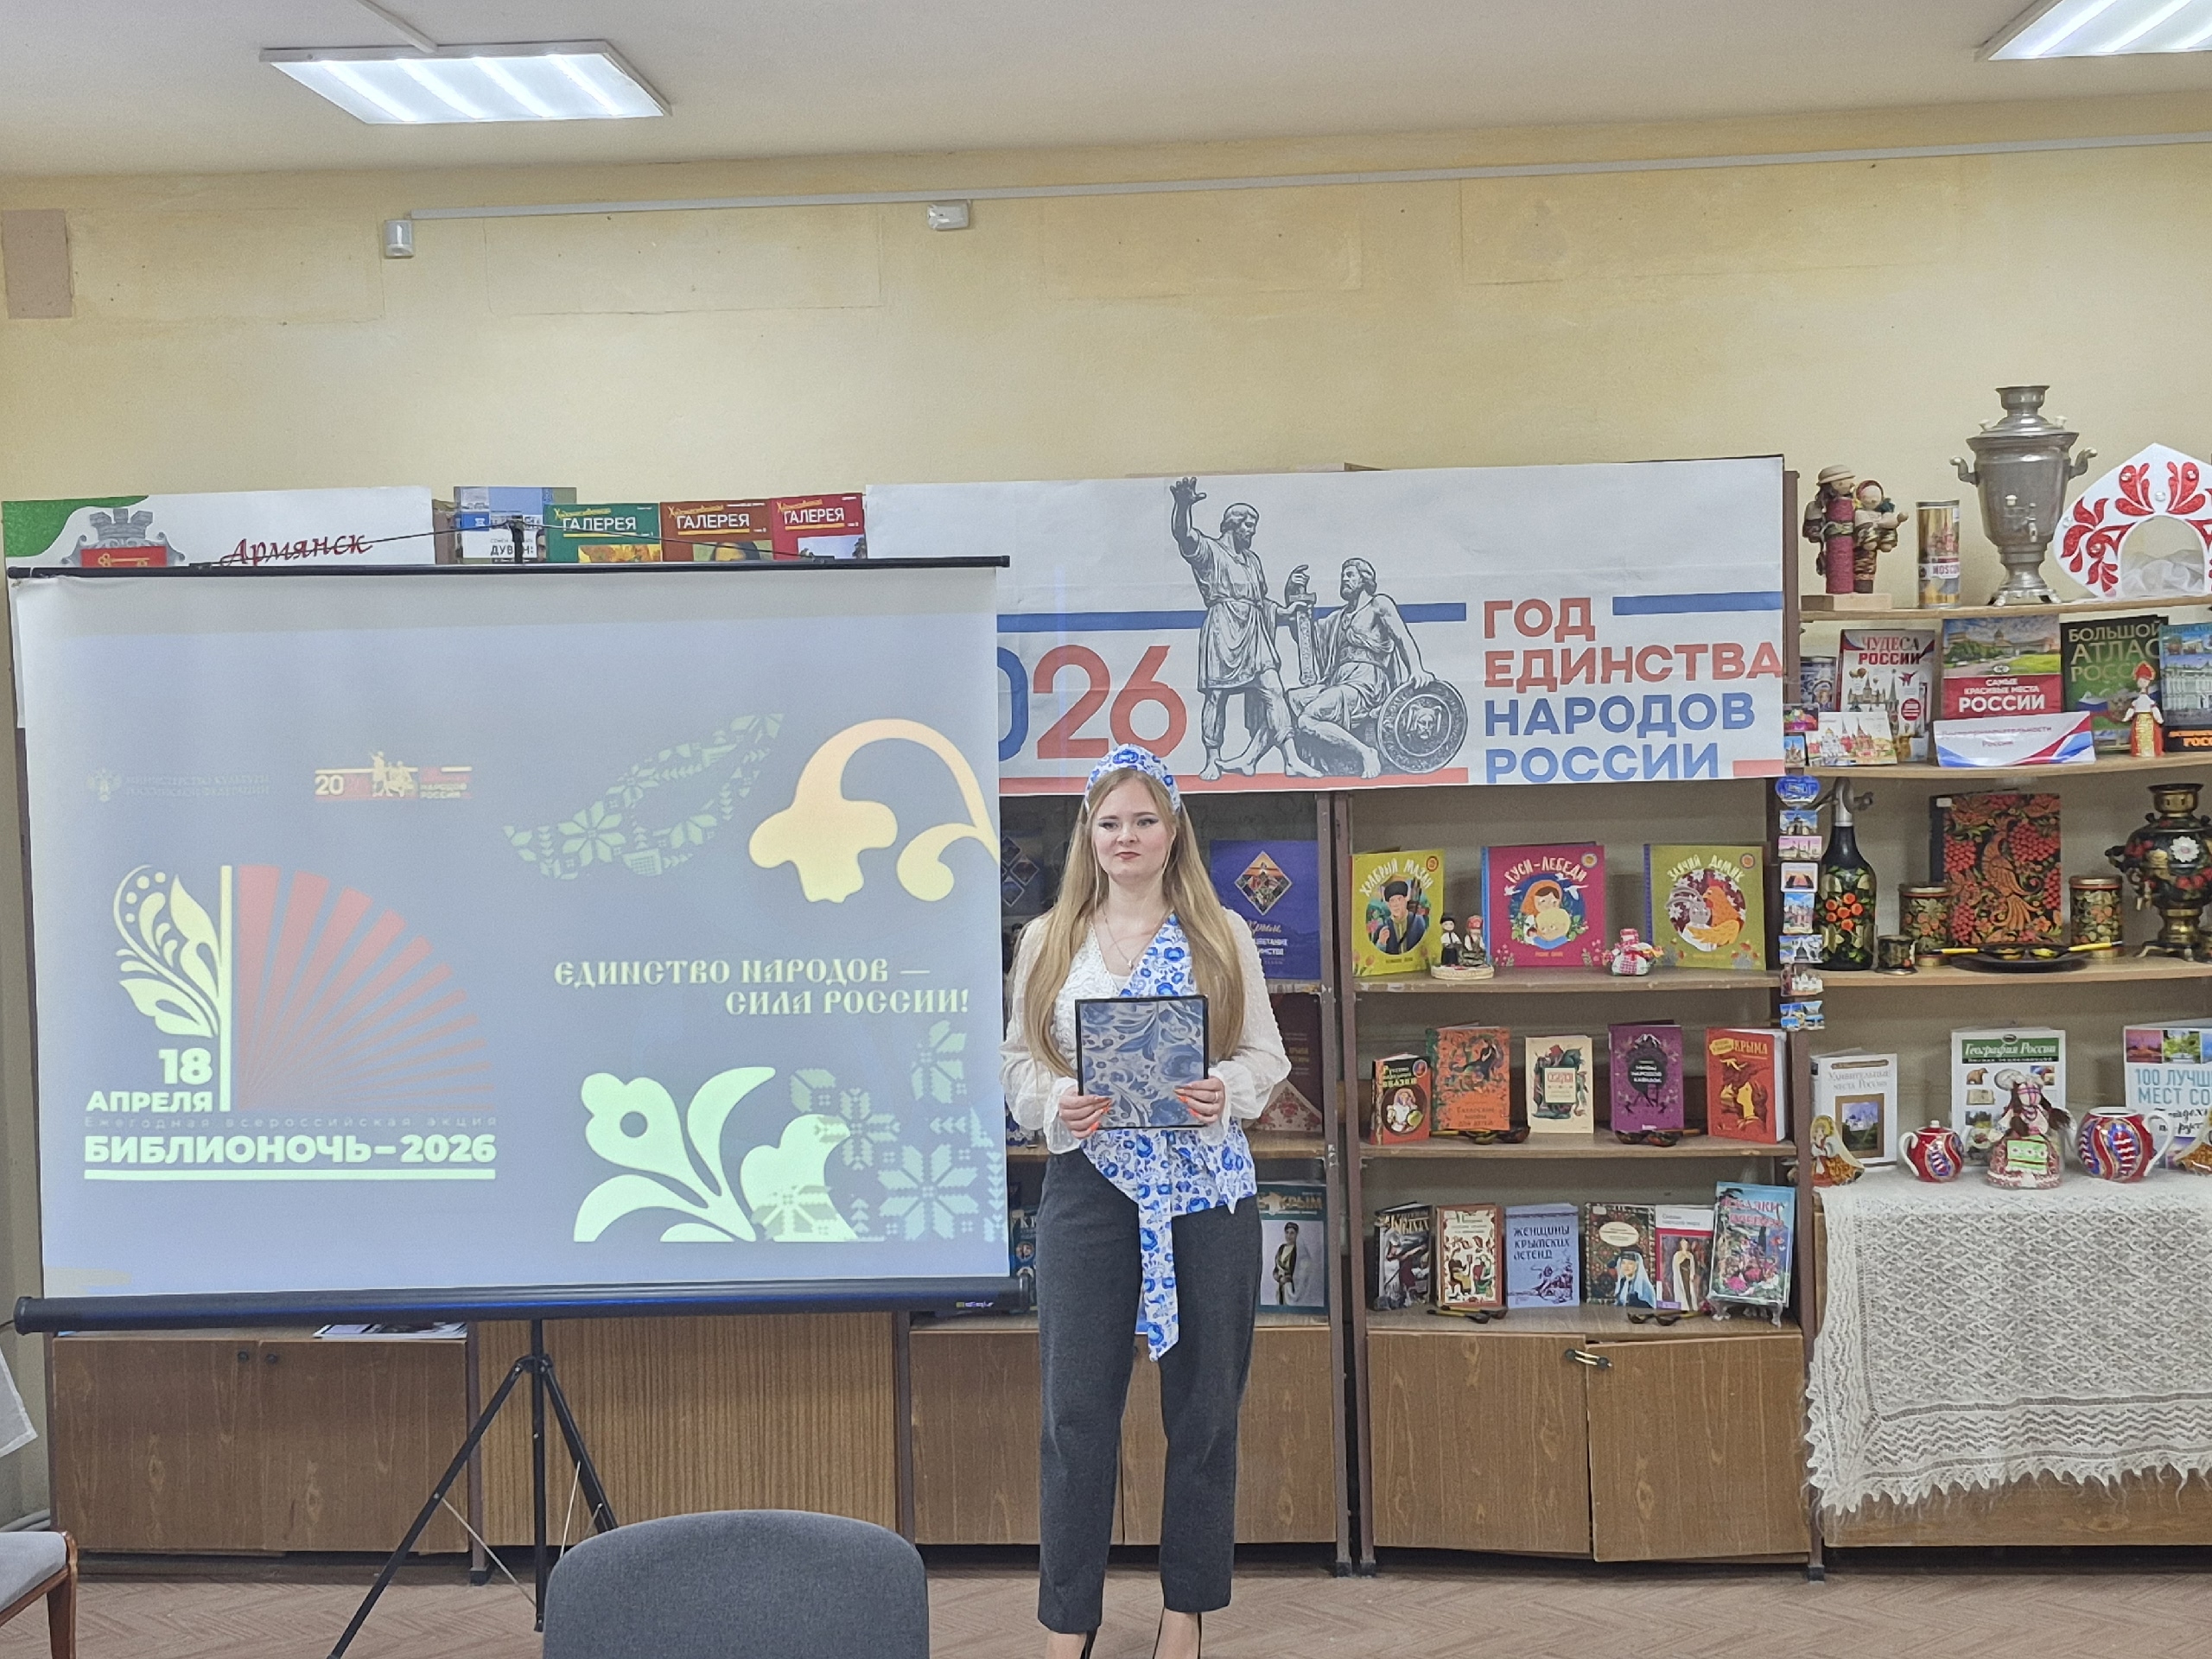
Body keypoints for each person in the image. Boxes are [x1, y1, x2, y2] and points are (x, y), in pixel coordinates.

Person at [1001, 743, 1288, 1659]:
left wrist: (1224, 1089)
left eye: (1143, 820)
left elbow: (1266, 1056)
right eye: (1109, 822)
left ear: (1173, 831)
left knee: (1203, 1412)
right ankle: (1068, 1623)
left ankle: (1185, 1614)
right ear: (1088, 834)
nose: (1125, 837)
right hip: (1090, 1188)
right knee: (1074, 1415)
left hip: (1204, 1192)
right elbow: (1016, 1066)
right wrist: (1057, 1100)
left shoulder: (1221, 935)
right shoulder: (1049, 939)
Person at [1168, 477, 1319, 782]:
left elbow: (1261, 603)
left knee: (1274, 690)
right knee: (1216, 696)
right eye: (1249, 526)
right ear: (1233, 525)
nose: (1252, 532)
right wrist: (1183, 506)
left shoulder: (1252, 561)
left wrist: (1285, 612)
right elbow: (1183, 536)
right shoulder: (1210, 552)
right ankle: (1213, 759)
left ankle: (1292, 759)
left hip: (1254, 632)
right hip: (1223, 628)